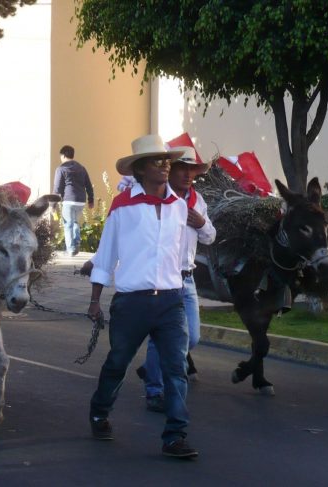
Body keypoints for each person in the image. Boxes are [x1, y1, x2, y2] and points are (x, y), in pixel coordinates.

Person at [86, 134, 198, 458]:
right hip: (132, 301)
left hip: (171, 301)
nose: (164, 166)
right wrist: (95, 300)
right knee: (118, 363)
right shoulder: (123, 206)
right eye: (156, 161)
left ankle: (175, 436)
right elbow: (106, 255)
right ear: (140, 169)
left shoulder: (179, 206)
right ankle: (99, 411)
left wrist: (181, 284)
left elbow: (180, 254)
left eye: (166, 161)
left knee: (175, 368)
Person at [135, 147, 216, 412]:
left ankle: (151, 369)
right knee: (162, 337)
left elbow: (210, 237)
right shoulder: (160, 199)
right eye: (181, 168)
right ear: (170, 171)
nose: (187, 174)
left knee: (191, 337)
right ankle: (155, 390)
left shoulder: (197, 200)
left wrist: (200, 222)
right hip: (163, 279)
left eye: (191, 170)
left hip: (187, 279)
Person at [53, 145, 94, 256]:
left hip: (68, 200)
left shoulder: (61, 169)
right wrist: (91, 200)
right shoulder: (81, 168)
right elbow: (88, 185)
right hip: (81, 201)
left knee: (68, 224)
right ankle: (76, 244)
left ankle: (70, 249)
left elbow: (57, 188)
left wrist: (53, 205)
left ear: (63, 155)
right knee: (75, 222)